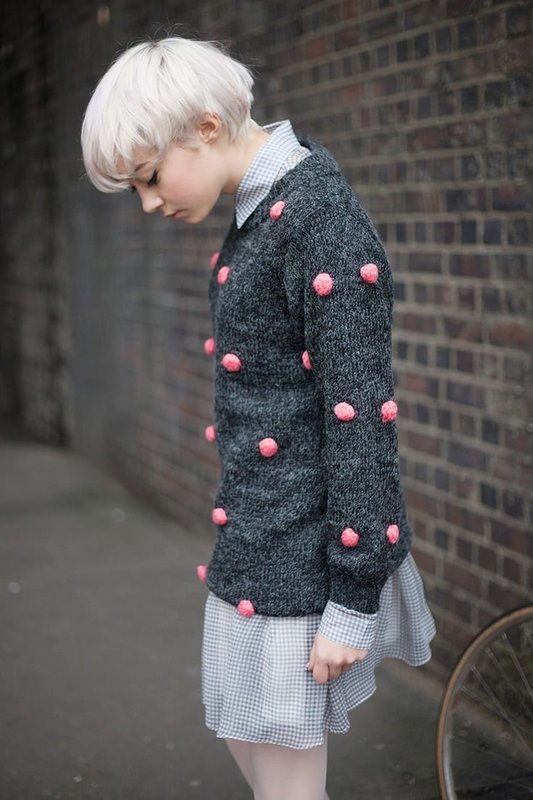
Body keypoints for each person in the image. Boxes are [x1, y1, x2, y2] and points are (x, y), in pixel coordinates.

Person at [81, 35, 437, 800]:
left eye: (149, 177)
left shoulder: (317, 219)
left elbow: (358, 418)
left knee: (285, 784)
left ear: (206, 127)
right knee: (244, 734)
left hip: (302, 553)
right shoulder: (261, 211)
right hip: (257, 538)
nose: (149, 204)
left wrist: (352, 599)